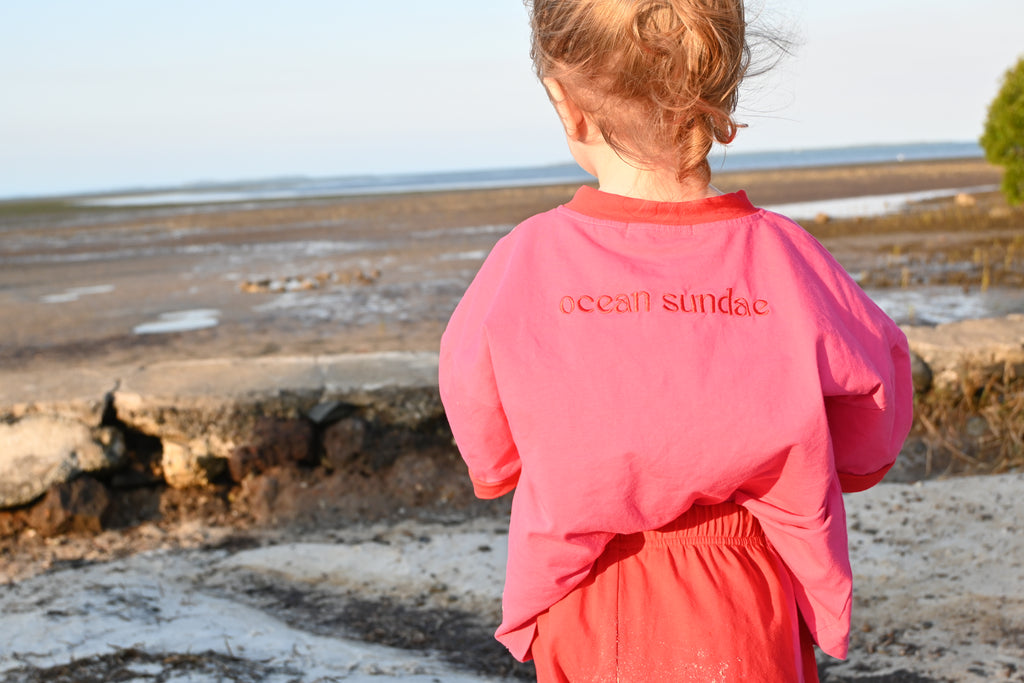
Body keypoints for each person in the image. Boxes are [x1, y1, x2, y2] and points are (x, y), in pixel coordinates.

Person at [438, 0, 913, 680]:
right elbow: (876, 416)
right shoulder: (788, 257)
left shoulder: (527, 257)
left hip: (589, 589)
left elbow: (485, 437)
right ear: (722, 92)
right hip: (749, 590)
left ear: (566, 104)